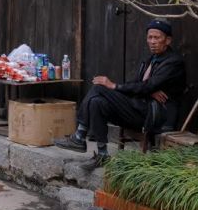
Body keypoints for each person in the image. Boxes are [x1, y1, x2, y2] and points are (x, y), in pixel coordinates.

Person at [54, 19, 186, 169]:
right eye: (150, 37)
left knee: (99, 88)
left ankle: (79, 136)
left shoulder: (173, 62)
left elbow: (147, 86)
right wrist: (148, 90)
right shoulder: (149, 60)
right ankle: (102, 154)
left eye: (157, 38)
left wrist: (115, 86)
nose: (152, 41)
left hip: (156, 117)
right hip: (141, 110)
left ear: (168, 40)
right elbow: (138, 84)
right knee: (97, 102)